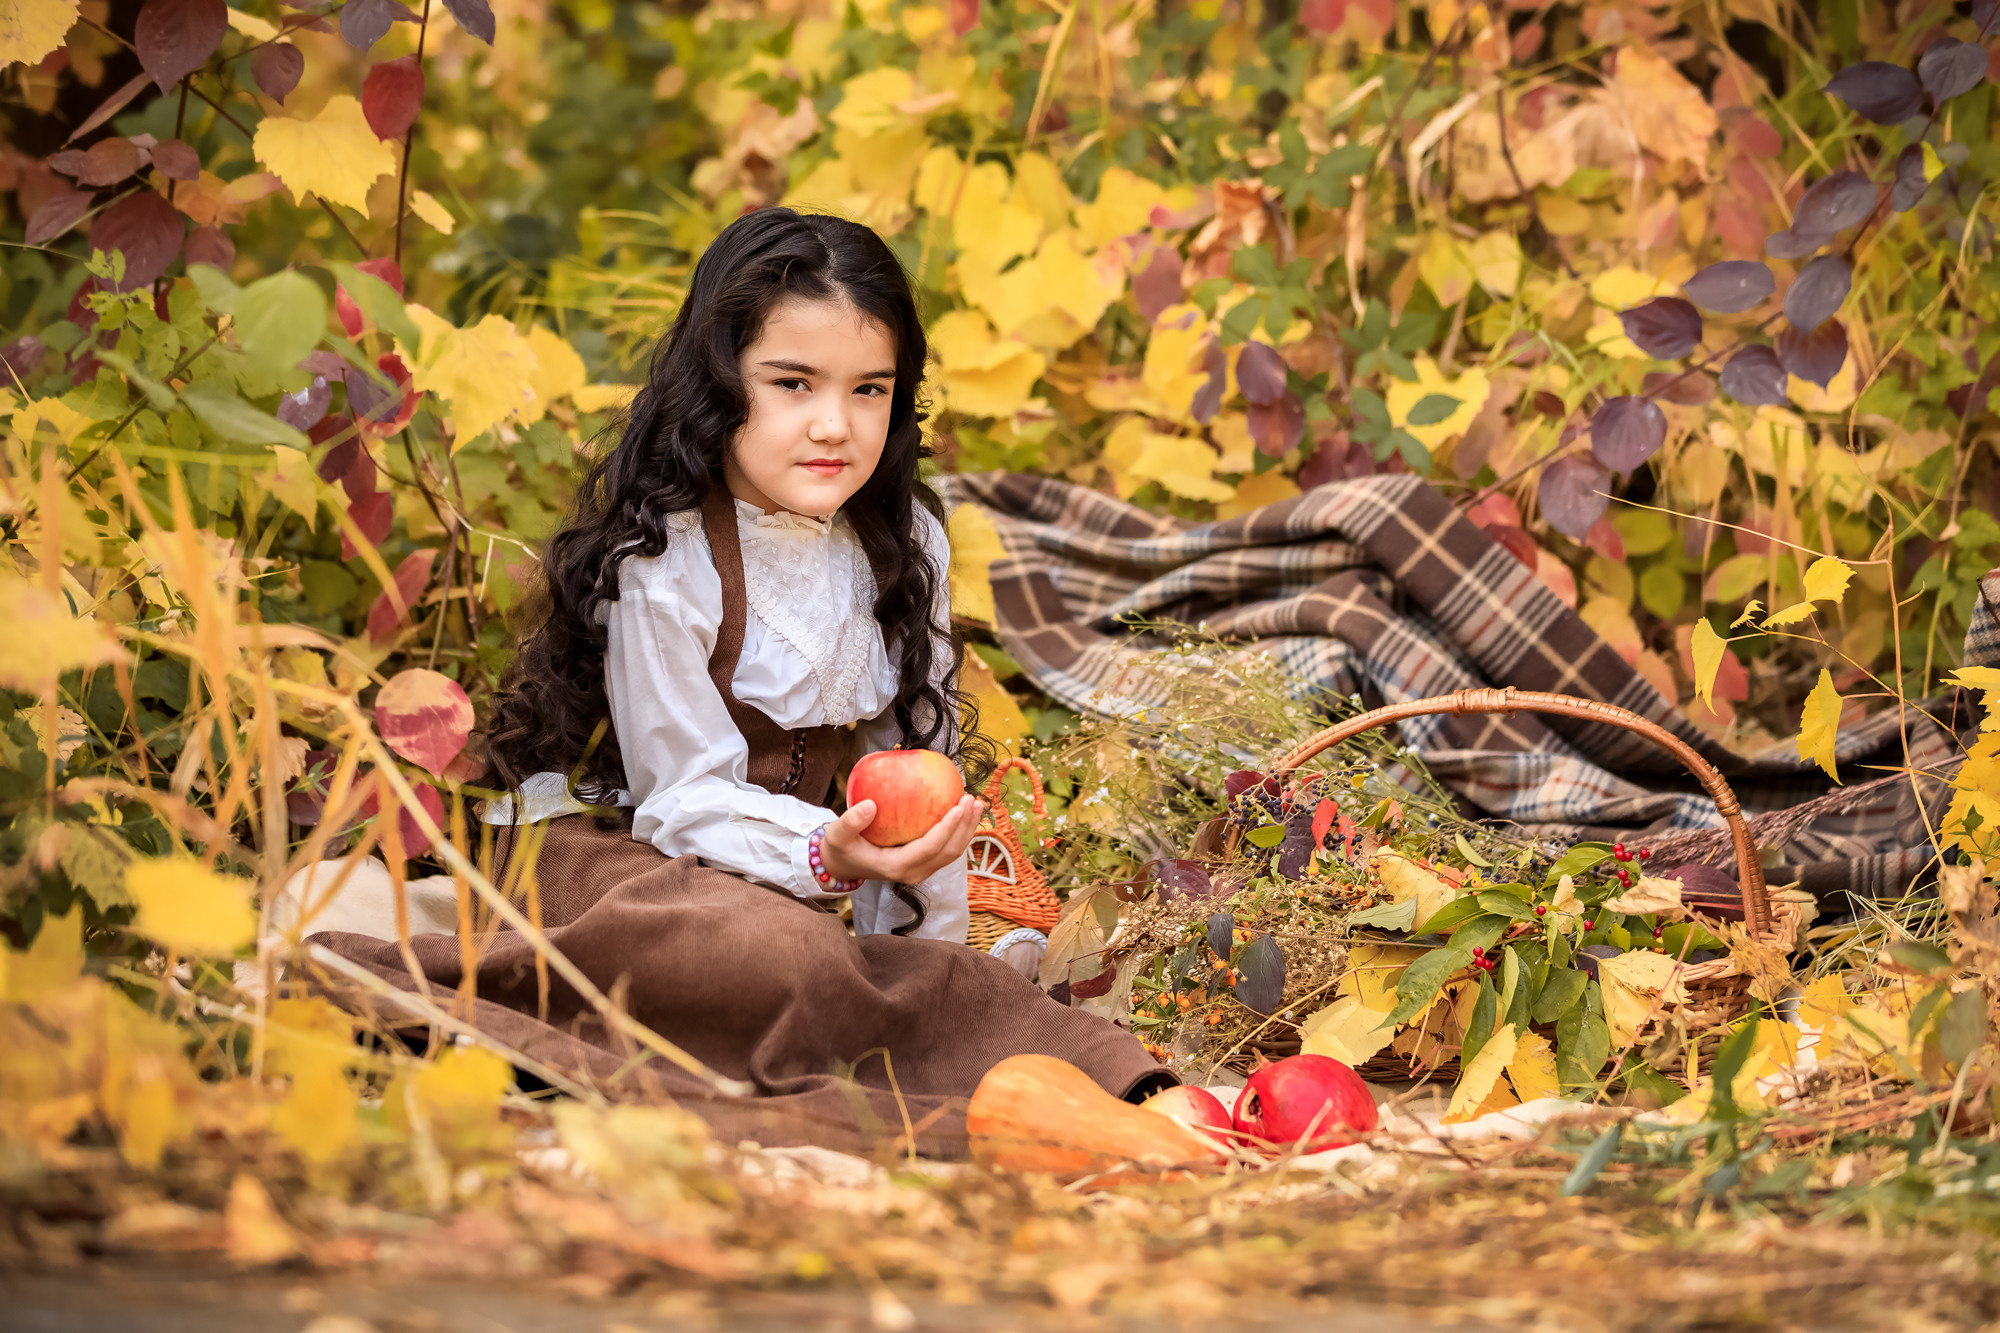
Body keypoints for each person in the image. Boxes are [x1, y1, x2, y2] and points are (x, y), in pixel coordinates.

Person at [295, 207, 1173, 1155]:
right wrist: (828, 859)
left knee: (935, 976)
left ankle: (1095, 1087)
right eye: (792, 383)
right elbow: (679, 799)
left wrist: (920, 931)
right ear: (722, 384)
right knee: (773, 952)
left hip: (803, 871)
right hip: (624, 849)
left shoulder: (902, 541)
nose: (834, 424)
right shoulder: (666, 552)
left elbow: (912, 775)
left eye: (869, 389)